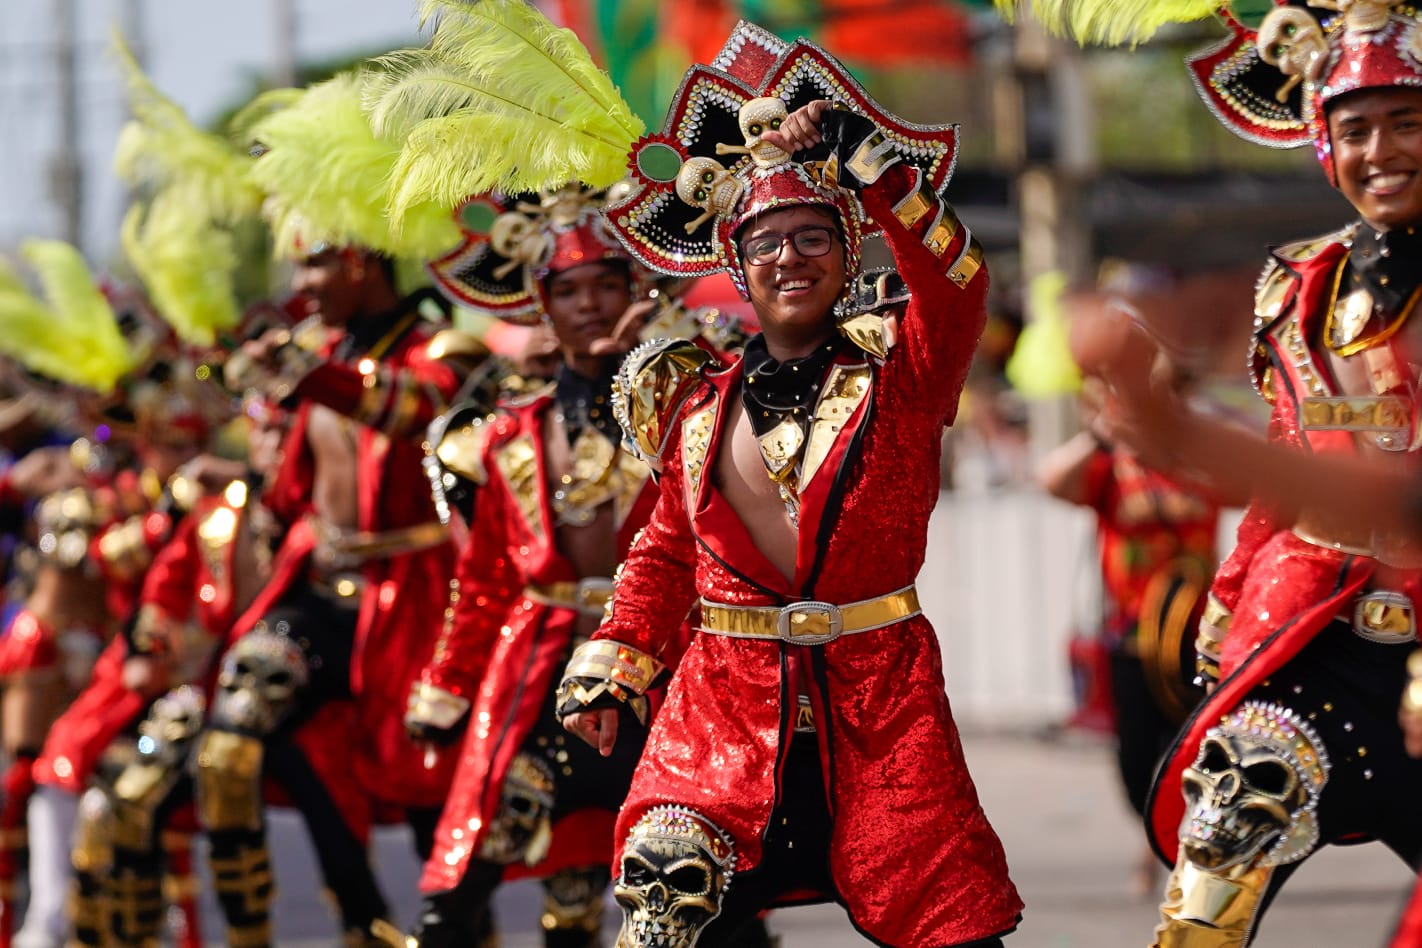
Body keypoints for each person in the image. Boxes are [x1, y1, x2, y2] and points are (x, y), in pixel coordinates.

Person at [556, 24, 1022, 948]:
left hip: (882, 707)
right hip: (720, 710)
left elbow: (959, 285)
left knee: (952, 924)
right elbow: (665, 551)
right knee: (665, 898)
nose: (790, 257)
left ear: (851, 257)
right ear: (737, 266)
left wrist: (870, 162)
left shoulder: (903, 369)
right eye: (766, 242)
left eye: (815, 236)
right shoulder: (691, 405)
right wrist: (617, 663)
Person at [1006, 0, 1422, 940]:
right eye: (1355, 127)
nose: (1381, 149)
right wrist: (1233, 604)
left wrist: (1170, 427)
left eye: (1407, 121)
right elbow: (1286, 476)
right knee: (1222, 846)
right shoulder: (1298, 285)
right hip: (1316, 643)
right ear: (1322, 141)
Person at [399, 184, 708, 948]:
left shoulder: (692, 407)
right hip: (536, 675)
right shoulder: (505, 438)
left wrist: (669, 359)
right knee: (468, 881)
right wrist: (448, 681)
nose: (592, 305)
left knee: (698, 888)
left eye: (610, 284)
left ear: (640, 290)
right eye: (570, 290)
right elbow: (484, 581)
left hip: (664, 670)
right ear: (542, 305)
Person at [1039, 388, 1219, 895]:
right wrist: (1099, 434)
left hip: (1198, 638)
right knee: (1136, 762)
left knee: (1197, 751)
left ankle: (1178, 854)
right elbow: (1051, 480)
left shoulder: (1198, 464)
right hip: (1133, 639)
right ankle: (1155, 838)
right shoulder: (1111, 470)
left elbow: (1251, 484)